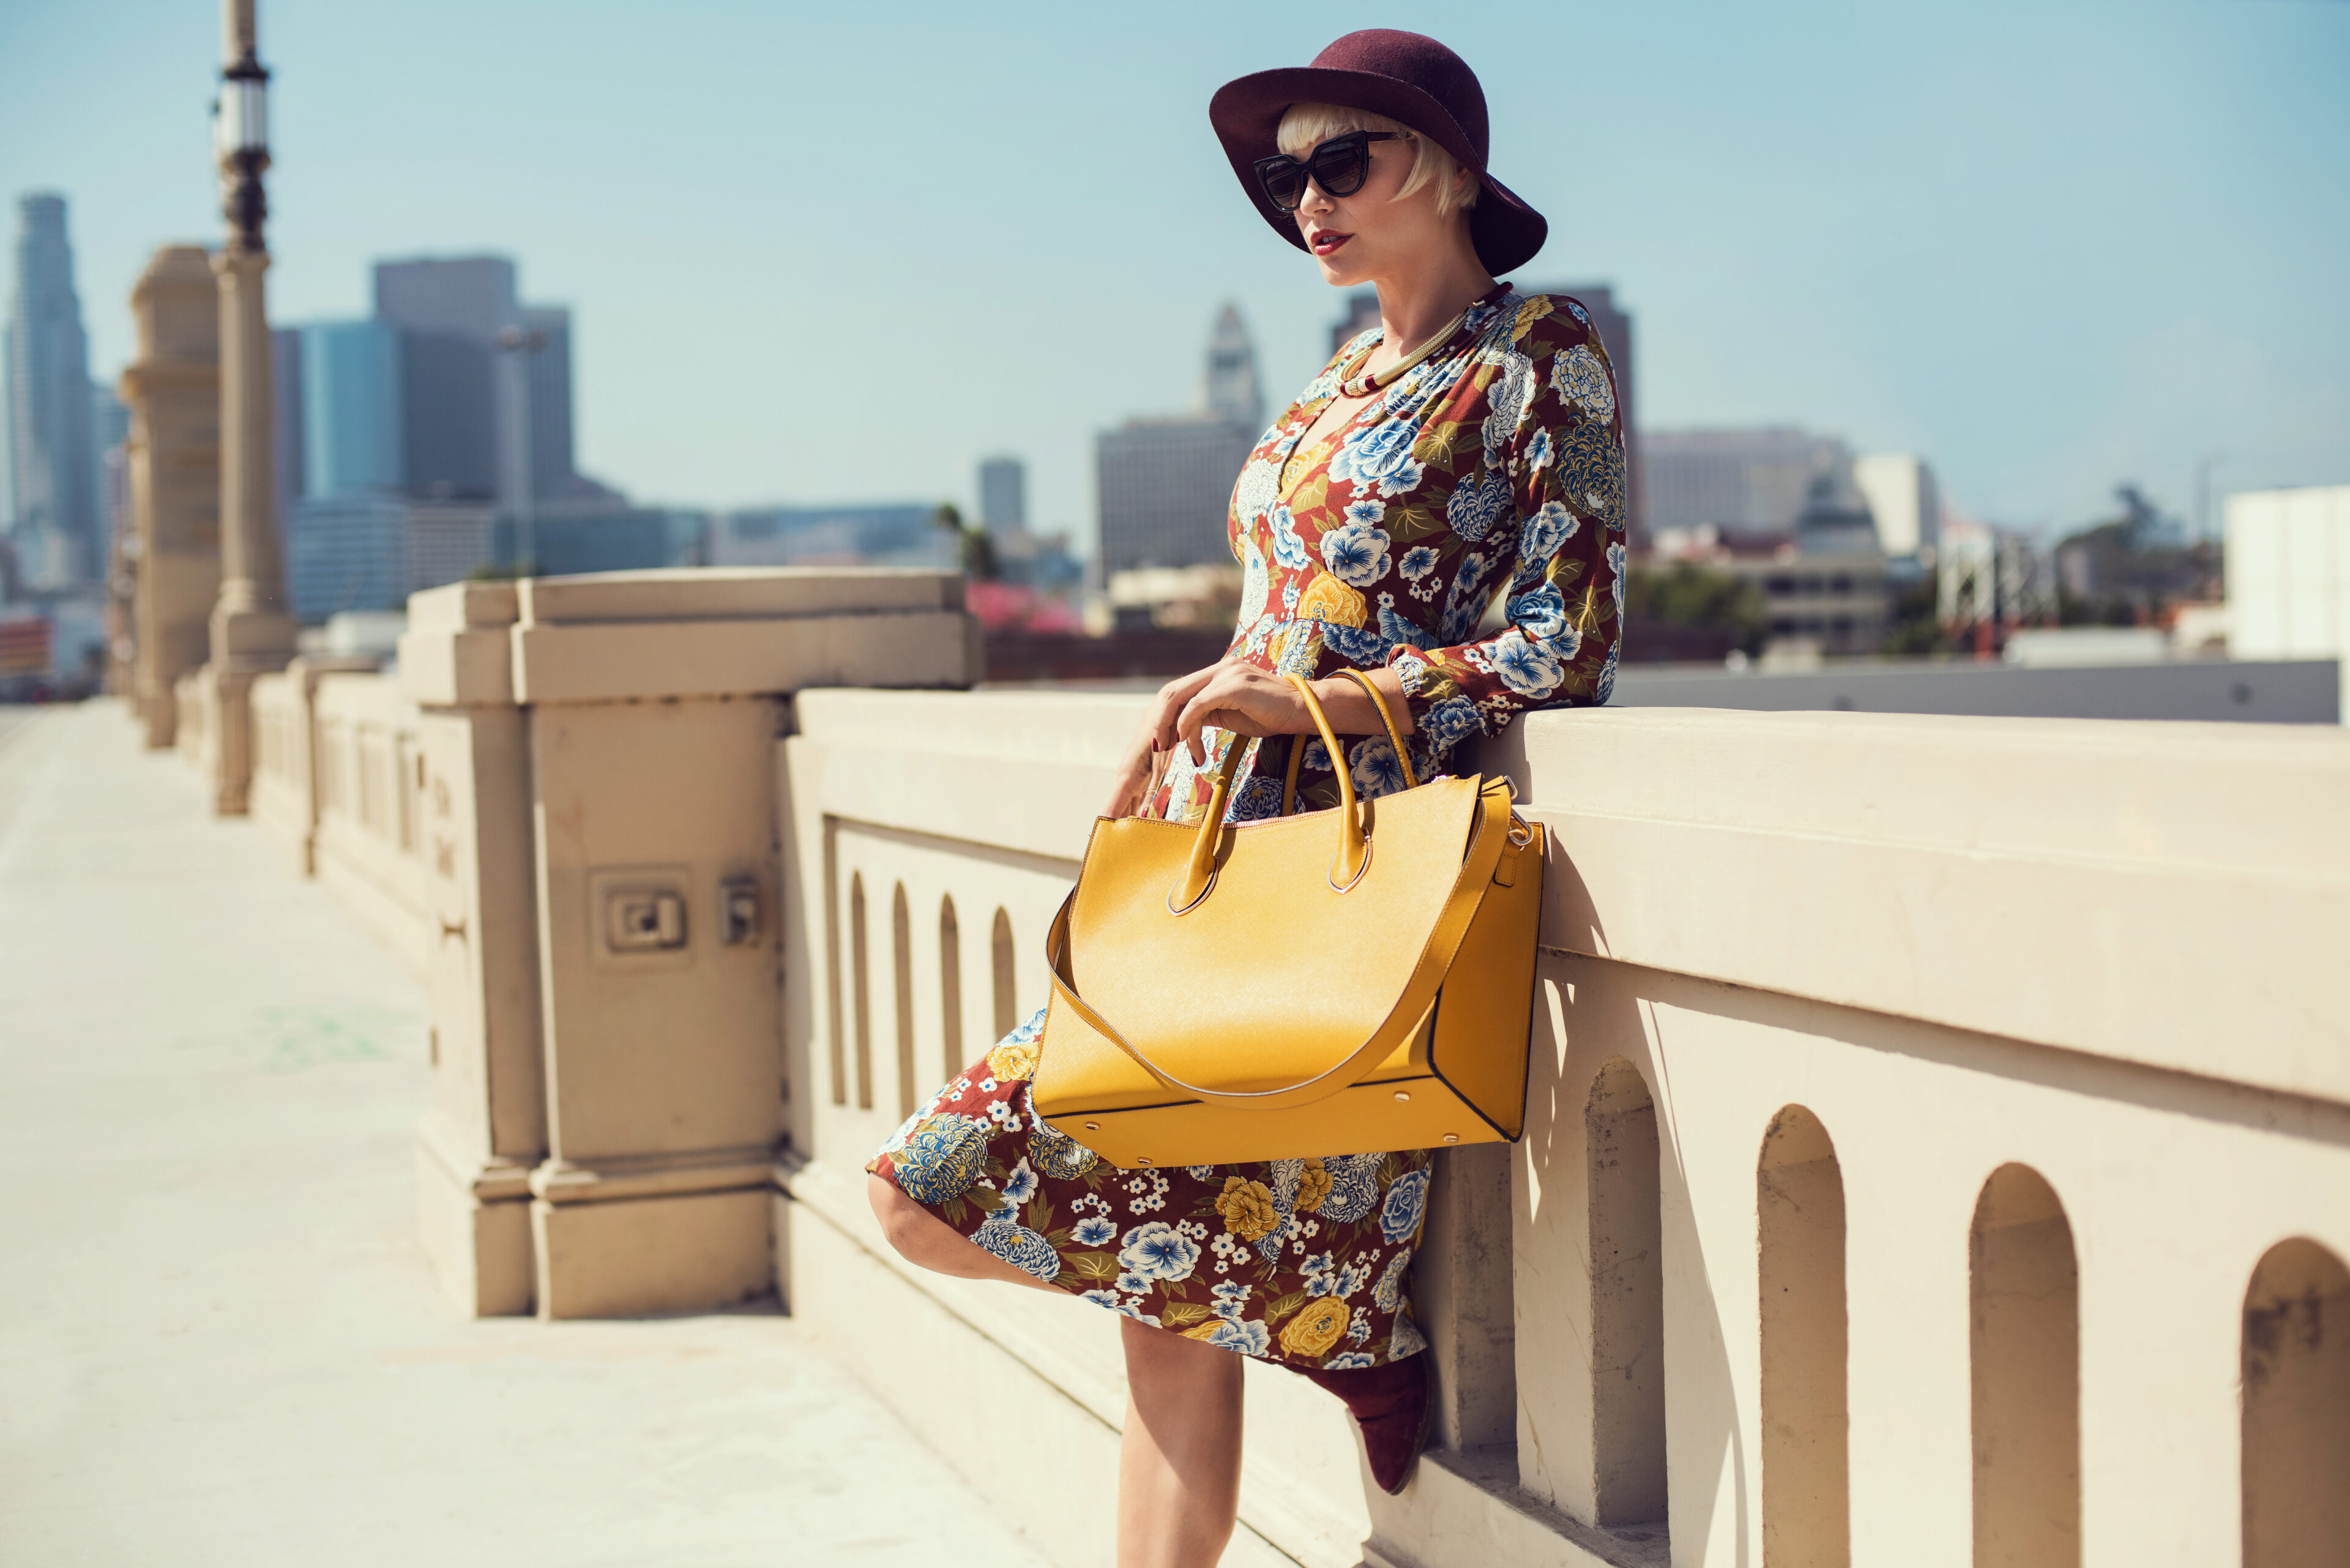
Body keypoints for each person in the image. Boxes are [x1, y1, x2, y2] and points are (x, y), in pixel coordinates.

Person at [867, 28, 1624, 1567]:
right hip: (1215, 877)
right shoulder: (1342, 376)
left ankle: (1325, 1314)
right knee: (949, 1206)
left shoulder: (1538, 355)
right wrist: (1214, 691)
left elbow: (1569, 639)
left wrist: (1335, 700)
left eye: (1344, 162)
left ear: (1452, 169)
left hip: (1349, 900)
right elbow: (1284, 604)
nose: (1309, 202)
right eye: (1288, 178)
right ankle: (1325, 1319)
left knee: (1155, 1300)